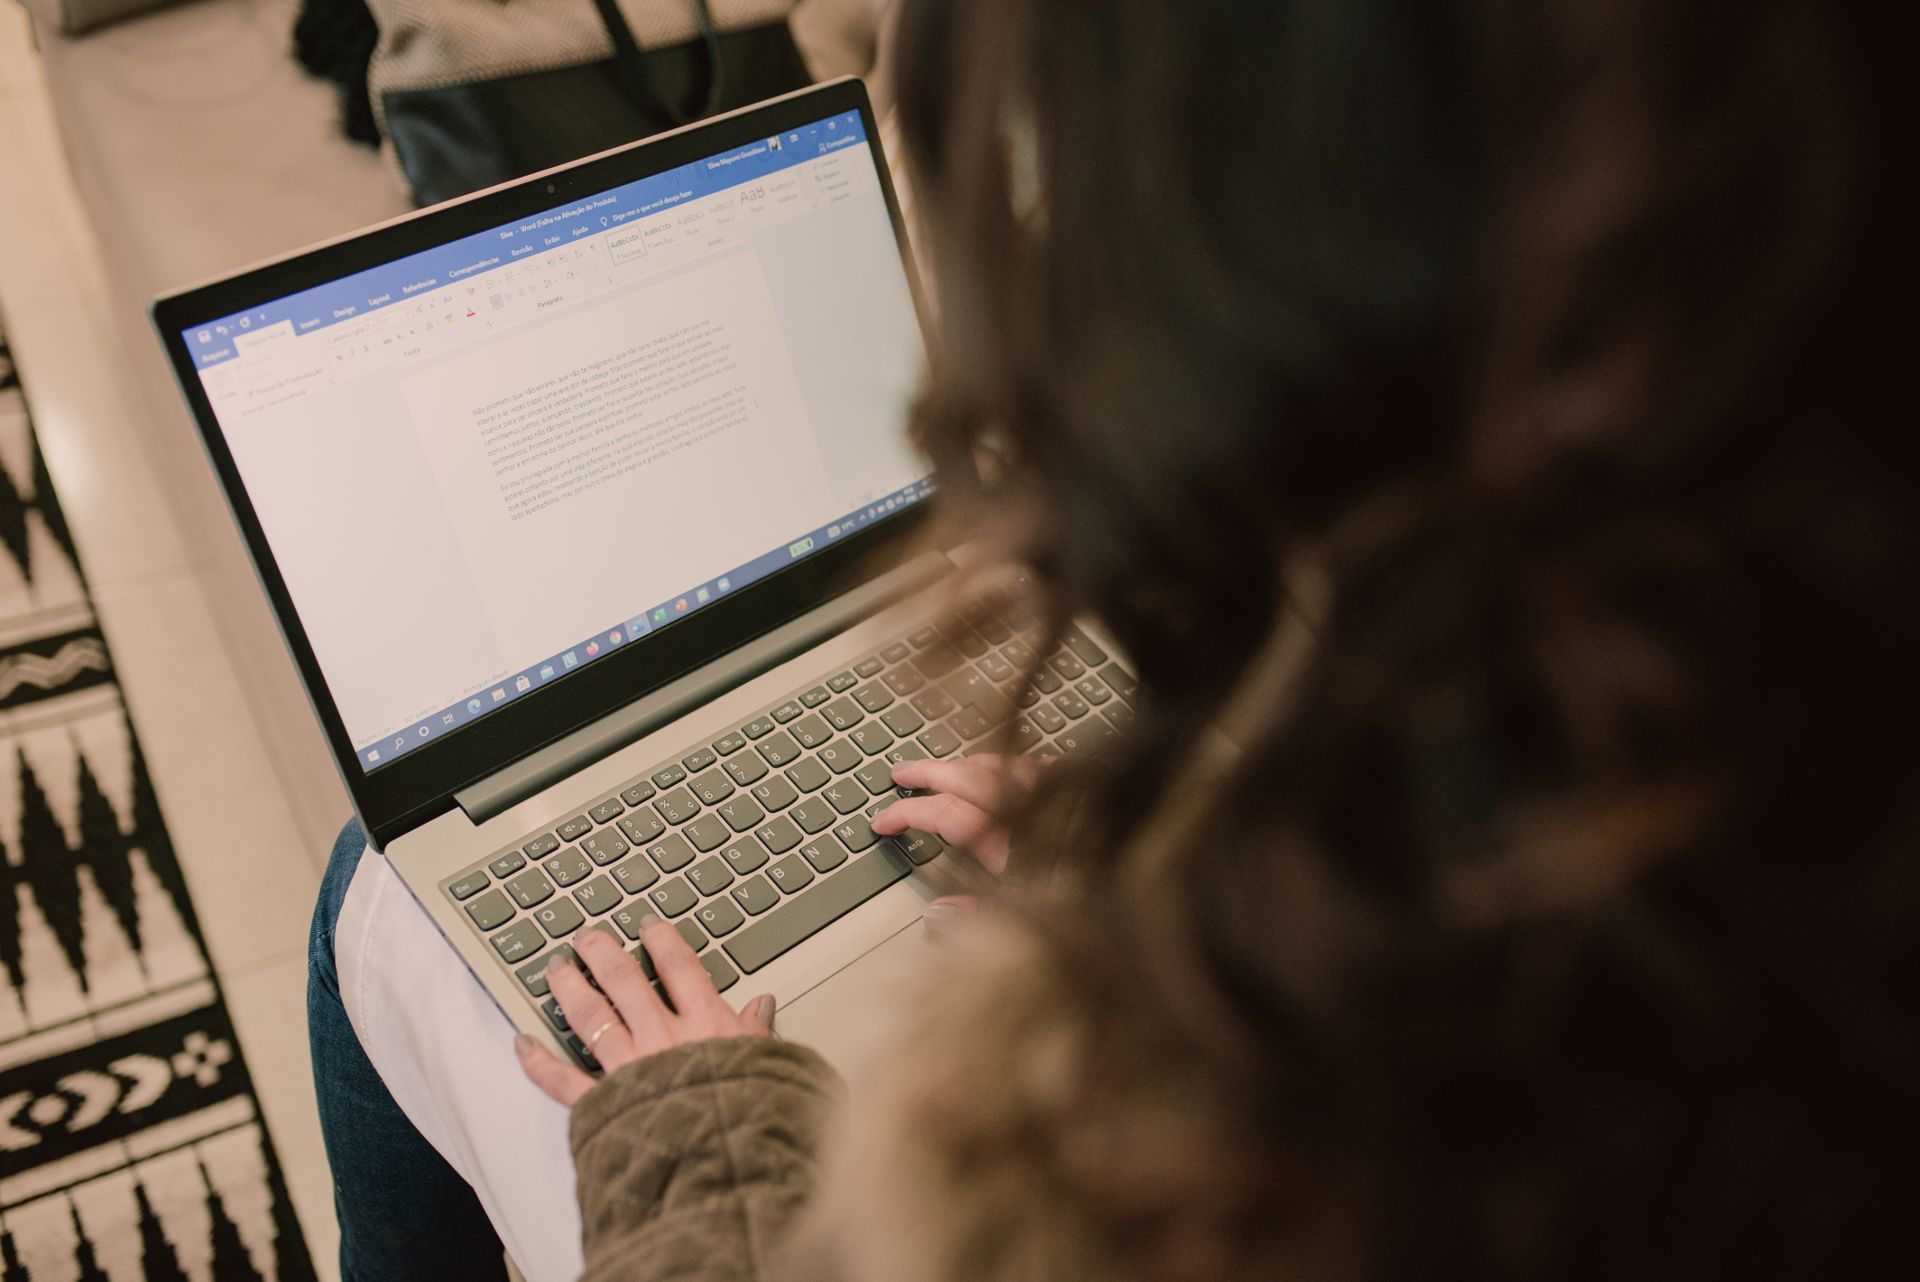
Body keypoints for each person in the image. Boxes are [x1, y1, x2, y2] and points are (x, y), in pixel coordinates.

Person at [309, 0, 1911, 1278]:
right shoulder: (1754, 788)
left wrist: (702, 1141)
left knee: (367, 896)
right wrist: (1147, 883)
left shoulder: (1415, 1104)